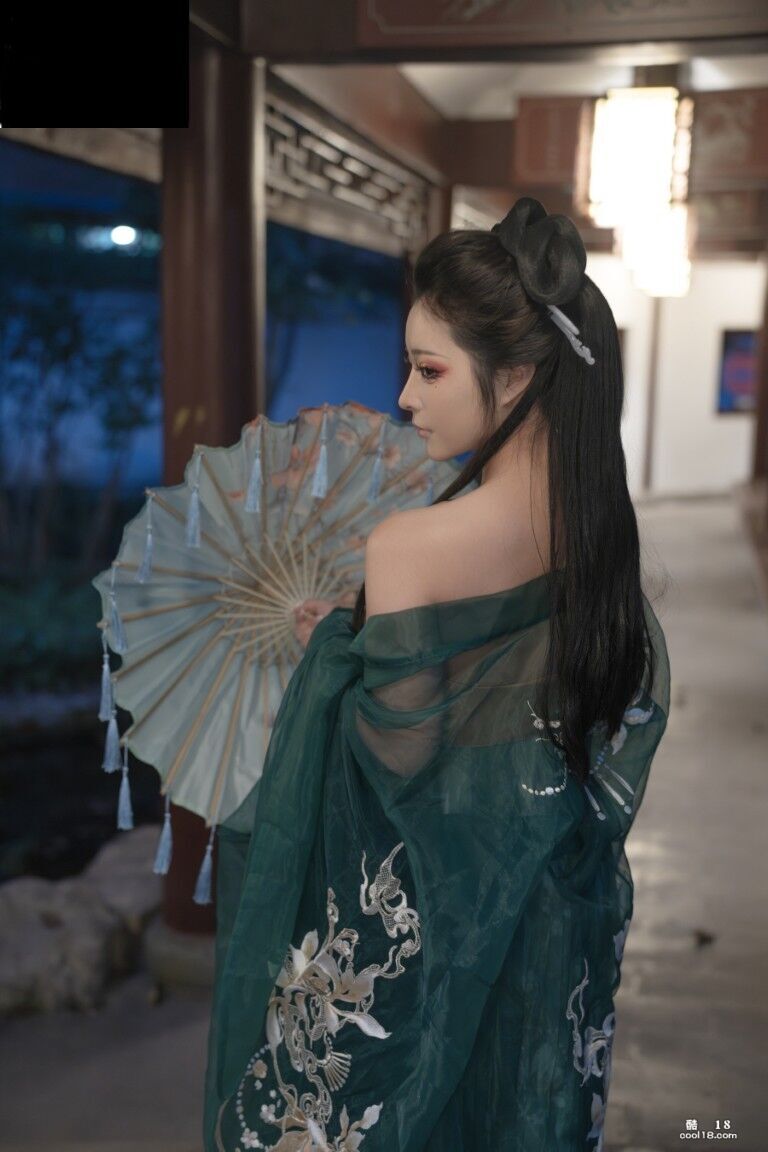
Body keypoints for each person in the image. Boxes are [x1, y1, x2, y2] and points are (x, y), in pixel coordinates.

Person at [202, 197, 671, 1151]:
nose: (406, 397)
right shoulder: (599, 534)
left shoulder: (412, 546)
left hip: (435, 929)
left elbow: (403, 761)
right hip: (540, 914)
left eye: (429, 369)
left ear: (520, 375)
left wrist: (334, 661)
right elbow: (526, 717)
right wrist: (370, 637)